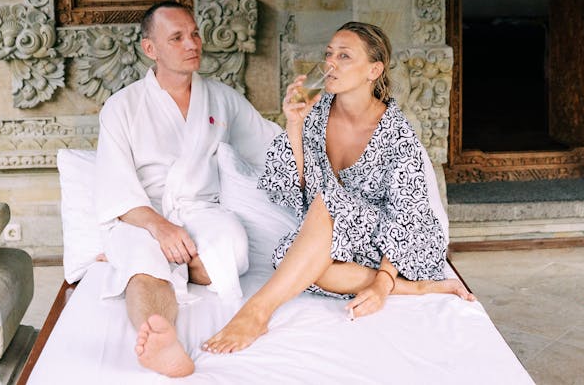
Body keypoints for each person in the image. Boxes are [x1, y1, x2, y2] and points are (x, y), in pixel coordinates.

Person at [202, 21, 475, 354]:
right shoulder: (315, 112)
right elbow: (288, 188)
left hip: (393, 243)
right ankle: (417, 289)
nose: (330, 63)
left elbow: (408, 215)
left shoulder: (397, 133)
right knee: (296, 262)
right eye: (329, 54)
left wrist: (383, 281)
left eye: (344, 56)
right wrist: (293, 123)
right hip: (334, 238)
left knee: (325, 203)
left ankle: (256, 311)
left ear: (373, 70)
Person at [93, 1, 281, 377]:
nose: (192, 43)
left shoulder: (222, 98)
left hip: (201, 211)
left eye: (194, 34)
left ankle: (169, 264)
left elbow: (270, 148)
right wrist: (160, 229)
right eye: (177, 37)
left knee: (232, 248)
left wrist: (298, 120)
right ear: (151, 49)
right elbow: (116, 188)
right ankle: (163, 341)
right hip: (143, 216)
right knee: (145, 263)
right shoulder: (121, 107)